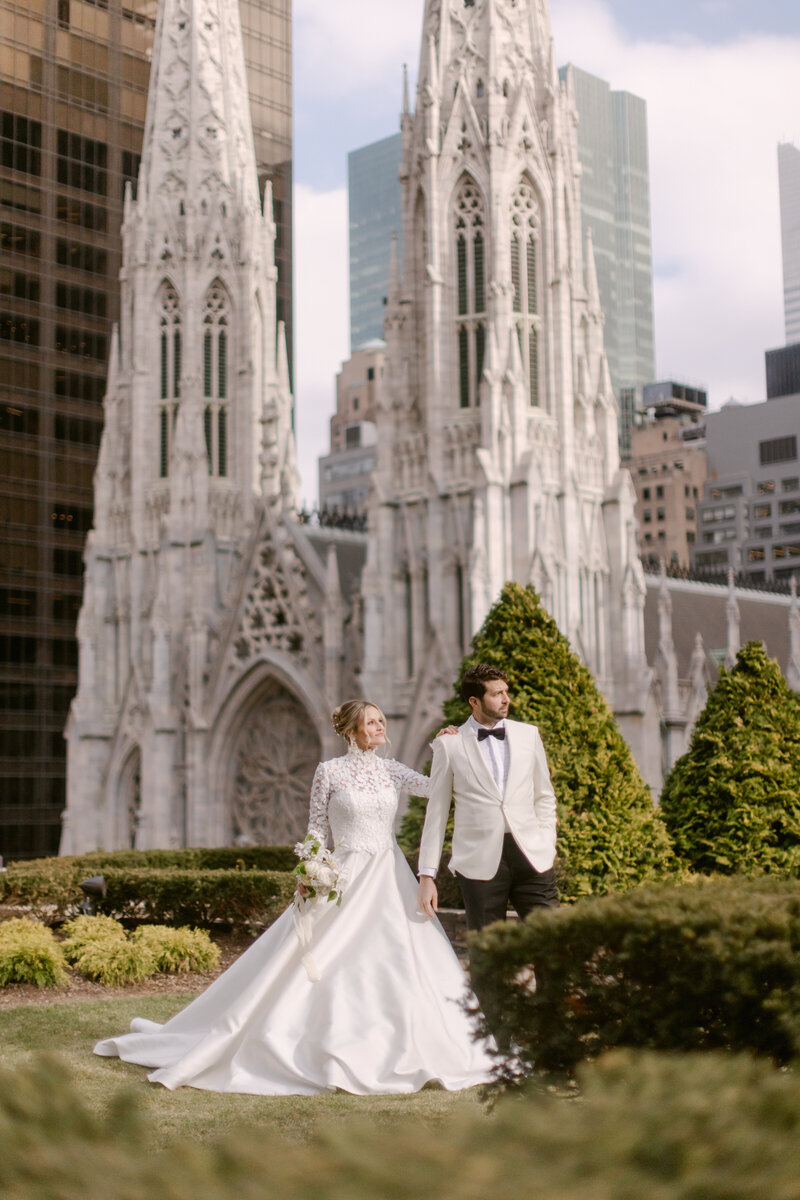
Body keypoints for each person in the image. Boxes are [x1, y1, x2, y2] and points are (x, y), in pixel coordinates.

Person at [94, 701, 495, 1095]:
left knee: (396, 956)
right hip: (345, 875)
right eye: (370, 722)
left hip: (389, 876)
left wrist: (443, 746)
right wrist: (311, 868)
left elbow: (432, 787)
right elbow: (317, 829)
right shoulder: (329, 772)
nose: (378, 727)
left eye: (380, 721)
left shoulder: (390, 770)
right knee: (320, 956)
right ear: (351, 731)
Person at [417, 664, 559, 936]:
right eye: (497, 694)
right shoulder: (449, 744)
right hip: (478, 862)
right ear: (474, 701)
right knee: (487, 954)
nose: (506, 699)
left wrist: (546, 840)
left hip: (532, 855)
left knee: (552, 942)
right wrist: (426, 875)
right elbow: (436, 813)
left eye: (506, 691)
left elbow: (544, 795)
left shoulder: (529, 734)